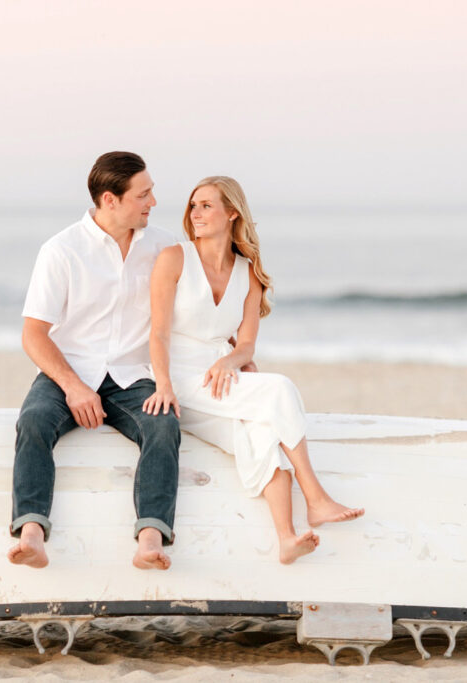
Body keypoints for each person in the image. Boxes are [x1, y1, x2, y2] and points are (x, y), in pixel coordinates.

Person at [143, 176, 364, 565]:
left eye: (207, 205)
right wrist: (163, 385)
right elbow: (157, 333)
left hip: (219, 378)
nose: (196, 213)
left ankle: (287, 538)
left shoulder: (249, 273)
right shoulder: (174, 258)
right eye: (193, 205)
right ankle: (315, 496)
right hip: (176, 378)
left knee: (260, 434)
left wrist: (230, 360)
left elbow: (246, 344)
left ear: (232, 213)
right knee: (278, 388)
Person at [8, 151, 180, 571]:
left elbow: (198, 306)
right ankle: (31, 532)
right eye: (143, 194)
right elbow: (34, 334)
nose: (153, 202)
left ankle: (150, 539)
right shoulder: (61, 250)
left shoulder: (164, 247)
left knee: (163, 425)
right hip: (69, 370)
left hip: (133, 374)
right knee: (33, 420)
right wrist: (73, 386)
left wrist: (236, 353)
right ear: (110, 199)